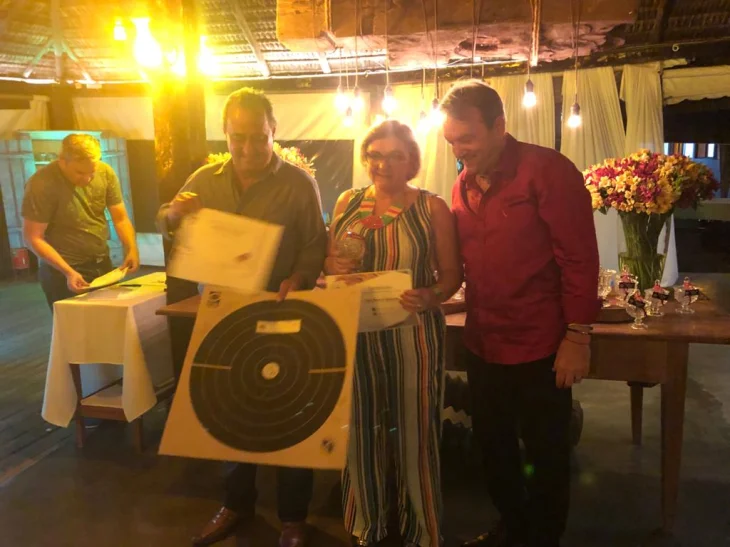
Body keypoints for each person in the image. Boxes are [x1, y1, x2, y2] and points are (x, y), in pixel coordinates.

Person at [156, 87, 327, 547]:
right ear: (225, 134)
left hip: (282, 312)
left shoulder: (298, 183)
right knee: (231, 412)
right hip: (225, 315)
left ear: (274, 132)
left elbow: (315, 241)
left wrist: (300, 276)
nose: (248, 148)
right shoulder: (204, 179)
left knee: (291, 413)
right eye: (238, 138)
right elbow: (168, 222)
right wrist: (173, 214)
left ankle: (293, 517)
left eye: (258, 137)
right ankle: (235, 504)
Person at [439, 81, 600, 547]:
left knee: (547, 452)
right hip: (484, 341)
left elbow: (579, 259)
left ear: (499, 126)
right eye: (451, 141)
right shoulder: (462, 184)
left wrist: (578, 336)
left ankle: (543, 538)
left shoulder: (546, 170)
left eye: (467, 139)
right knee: (493, 447)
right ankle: (512, 527)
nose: (459, 151)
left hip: (541, 344)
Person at [325, 120, 463, 547]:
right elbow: (330, 263)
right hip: (358, 332)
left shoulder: (431, 207)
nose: (383, 164)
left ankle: (421, 528)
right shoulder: (347, 202)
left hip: (413, 334)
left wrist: (431, 295)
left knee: (416, 430)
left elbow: (452, 275)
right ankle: (367, 524)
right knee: (359, 428)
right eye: (375, 155)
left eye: (395, 156)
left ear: (412, 162)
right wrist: (334, 267)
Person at [22, 133, 139, 308]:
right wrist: (68, 272)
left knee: (110, 319)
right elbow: (33, 237)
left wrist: (131, 249)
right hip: (61, 270)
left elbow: (120, 218)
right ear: (62, 161)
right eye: (80, 172)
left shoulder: (105, 172)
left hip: (102, 262)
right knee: (73, 323)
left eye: (92, 171)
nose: (87, 178)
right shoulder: (41, 183)